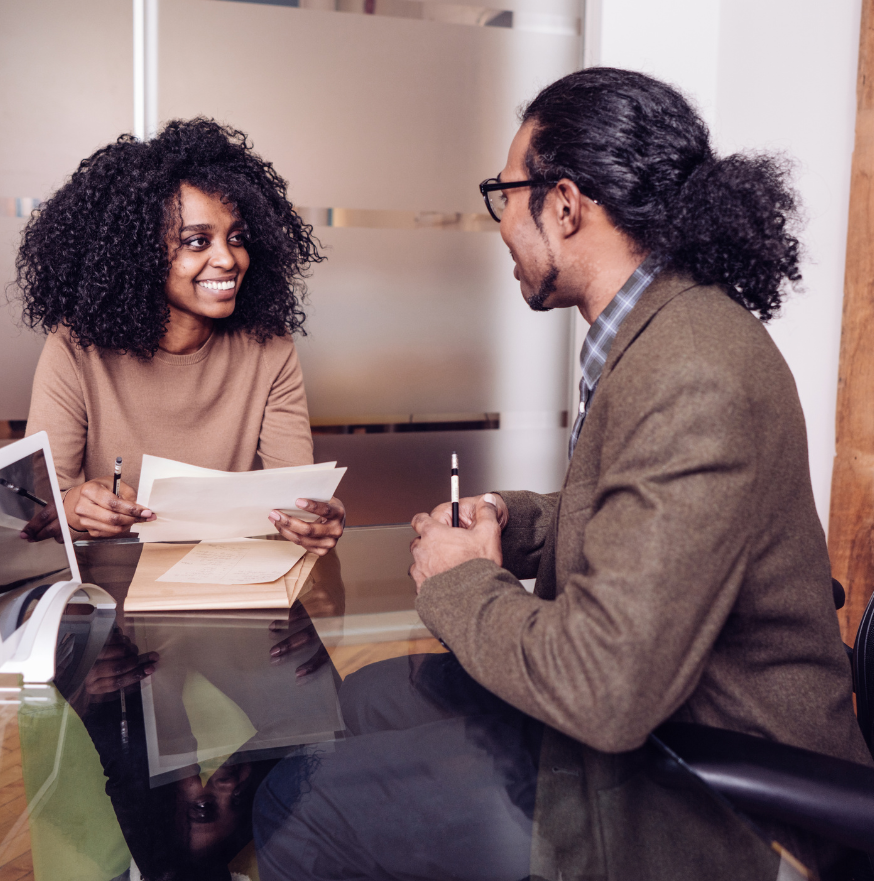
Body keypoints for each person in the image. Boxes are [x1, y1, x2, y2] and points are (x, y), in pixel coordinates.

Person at [252, 68, 872, 880]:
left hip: (718, 793)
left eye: (505, 194)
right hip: (660, 721)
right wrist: (518, 524)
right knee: (361, 700)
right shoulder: (657, 330)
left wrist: (461, 581)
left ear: (566, 203)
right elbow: (646, 515)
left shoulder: (695, 372)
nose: (501, 222)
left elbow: (603, 691)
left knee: (304, 804)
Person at [15, 118, 344, 552]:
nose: (228, 259)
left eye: (237, 237)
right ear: (137, 254)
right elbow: (37, 511)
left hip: (226, 584)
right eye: (196, 241)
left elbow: (296, 496)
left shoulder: (270, 346)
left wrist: (316, 518)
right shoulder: (76, 349)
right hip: (109, 592)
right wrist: (75, 506)